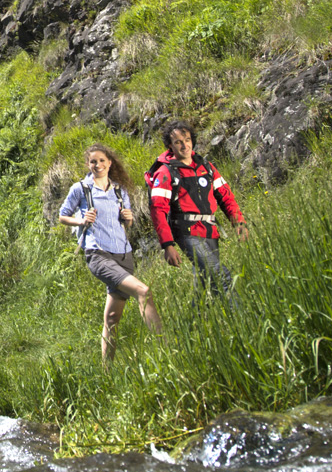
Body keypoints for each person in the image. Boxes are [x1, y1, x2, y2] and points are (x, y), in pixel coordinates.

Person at [59, 144, 163, 363]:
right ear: (88, 165)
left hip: (124, 254)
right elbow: (63, 215)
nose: (97, 165)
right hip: (98, 254)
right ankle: (168, 352)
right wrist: (81, 220)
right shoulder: (81, 189)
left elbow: (127, 222)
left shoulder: (119, 190)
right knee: (143, 292)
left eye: (101, 161)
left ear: (110, 163)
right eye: (93, 162)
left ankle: (106, 374)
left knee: (112, 318)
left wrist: (129, 217)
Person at [147, 121, 249, 301]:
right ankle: (247, 319)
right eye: (178, 142)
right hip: (186, 233)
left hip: (210, 231)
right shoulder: (165, 172)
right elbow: (157, 211)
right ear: (170, 145)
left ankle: (198, 323)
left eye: (187, 140)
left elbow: (226, 197)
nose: (184, 145)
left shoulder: (206, 167)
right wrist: (167, 245)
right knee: (221, 276)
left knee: (206, 286)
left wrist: (239, 222)